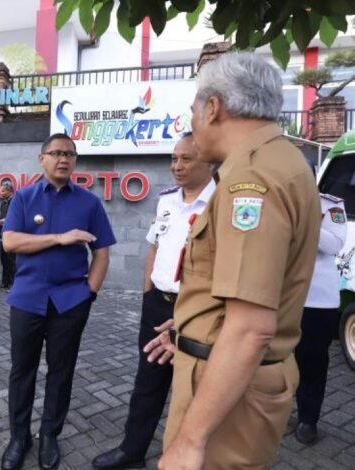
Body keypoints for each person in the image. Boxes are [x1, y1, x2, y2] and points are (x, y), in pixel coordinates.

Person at [144, 52, 320, 469]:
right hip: (230, 374)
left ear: (213, 107)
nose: (192, 124)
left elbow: (249, 330)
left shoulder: (251, 181)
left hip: (228, 390)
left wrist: (190, 441)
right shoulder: (283, 161)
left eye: (193, 110)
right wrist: (190, 323)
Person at [92, 133, 215, 470]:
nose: (177, 165)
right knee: (147, 381)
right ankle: (132, 451)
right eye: (174, 158)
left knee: (193, 387)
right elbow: (154, 248)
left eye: (186, 159)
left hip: (197, 311)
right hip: (157, 304)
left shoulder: (221, 205)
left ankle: (185, 456)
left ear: (208, 161)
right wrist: (148, 291)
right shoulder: (166, 202)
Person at [0, 133, 116, 470]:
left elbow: (102, 251)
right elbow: (10, 242)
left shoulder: (89, 203)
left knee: (61, 371)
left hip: (70, 302)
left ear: (75, 160)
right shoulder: (23, 198)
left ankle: (50, 435)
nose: (63, 159)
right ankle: (19, 437)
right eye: (56, 153)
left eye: (69, 154)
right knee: (23, 371)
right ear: (42, 159)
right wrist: (58, 238)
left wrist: (89, 293)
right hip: (27, 299)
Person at [294, 192, 347, 444]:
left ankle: (308, 418)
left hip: (316, 300)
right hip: (279, 297)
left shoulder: (330, 205)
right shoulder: (271, 199)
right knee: (271, 360)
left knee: (312, 362)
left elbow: (335, 244)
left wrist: (304, 221)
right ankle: (273, 410)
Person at [0, 181, 16, 290]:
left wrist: (5, 221)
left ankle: (13, 285)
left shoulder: (15, 202)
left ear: (9, 191)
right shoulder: (3, 203)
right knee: (4, 260)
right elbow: (2, 217)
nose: (1, 193)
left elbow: (16, 218)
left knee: (12, 261)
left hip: (12, 237)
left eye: (3, 191)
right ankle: (4, 282)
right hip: (2, 236)